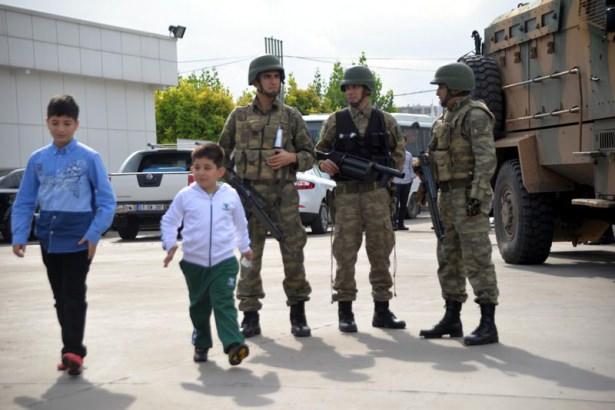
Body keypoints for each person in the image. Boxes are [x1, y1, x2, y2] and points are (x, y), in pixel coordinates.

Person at [11, 95, 116, 375]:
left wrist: (94, 233)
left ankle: (73, 352)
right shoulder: (37, 159)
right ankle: (70, 350)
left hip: (79, 238)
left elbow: (107, 201)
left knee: (74, 295)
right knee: (60, 297)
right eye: (55, 122)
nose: (60, 129)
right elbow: (25, 200)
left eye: (67, 123)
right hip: (49, 237)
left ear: (76, 125)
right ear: (47, 122)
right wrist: (19, 234)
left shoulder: (89, 158)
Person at [218, 55, 314, 338]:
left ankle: (298, 313)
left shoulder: (291, 116)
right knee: (249, 257)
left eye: (276, 77)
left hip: (284, 195)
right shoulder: (238, 116)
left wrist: (291, 157)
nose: (274, 82)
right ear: (256, 81)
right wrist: (231, 185)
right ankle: (250, 316)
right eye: (268, 77)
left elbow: (311, 155)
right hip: (249, 196)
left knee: (293, 253)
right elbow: (221, 156)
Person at [316, 65, 407, 333]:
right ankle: (345, 311)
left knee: (380, 251)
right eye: (347, 88)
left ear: (367, 89)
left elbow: (398, 153)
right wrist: (324, 164)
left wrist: (384, 179)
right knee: (344, 254)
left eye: (355, 87)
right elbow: (319, 152)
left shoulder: (385, 121)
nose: (350, 92)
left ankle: (382, 309)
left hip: (376, 194)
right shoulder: (335, 120)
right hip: (346, 196)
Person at [419, 62, 500, 346]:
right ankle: (452, 317)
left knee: (477, 258)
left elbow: (486, 159)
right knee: (448, 258)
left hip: (467, 197)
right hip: (446, 196)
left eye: (440, 87)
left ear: (454, 87)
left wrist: (477, 195)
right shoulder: (443, 119)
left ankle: (488, 323)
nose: (437, 92)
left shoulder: (475, 115)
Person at [161, 143, 252, 365]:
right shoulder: (186, 196)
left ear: (220, 171)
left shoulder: (230, 195)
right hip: (194, 263)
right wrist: (170, 243)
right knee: (199, 307)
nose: (201, 172)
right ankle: (201, 343)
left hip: (224, 261)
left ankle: (234, 344)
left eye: (207, 168)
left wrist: (245, 247)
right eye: (197, 167)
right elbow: (170, 221)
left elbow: (240, 224)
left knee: (223, 302)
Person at [392, 123, 417, 230]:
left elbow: (410, 168)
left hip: (407, 182)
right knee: (394, 203)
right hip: (396, 181)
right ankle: (393, 223)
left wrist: (412, 178)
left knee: (403, 204)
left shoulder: (409, 155)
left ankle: (401, 224)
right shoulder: (393, 153)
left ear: (406, 143)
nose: (402, 143)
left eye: (404, 141)